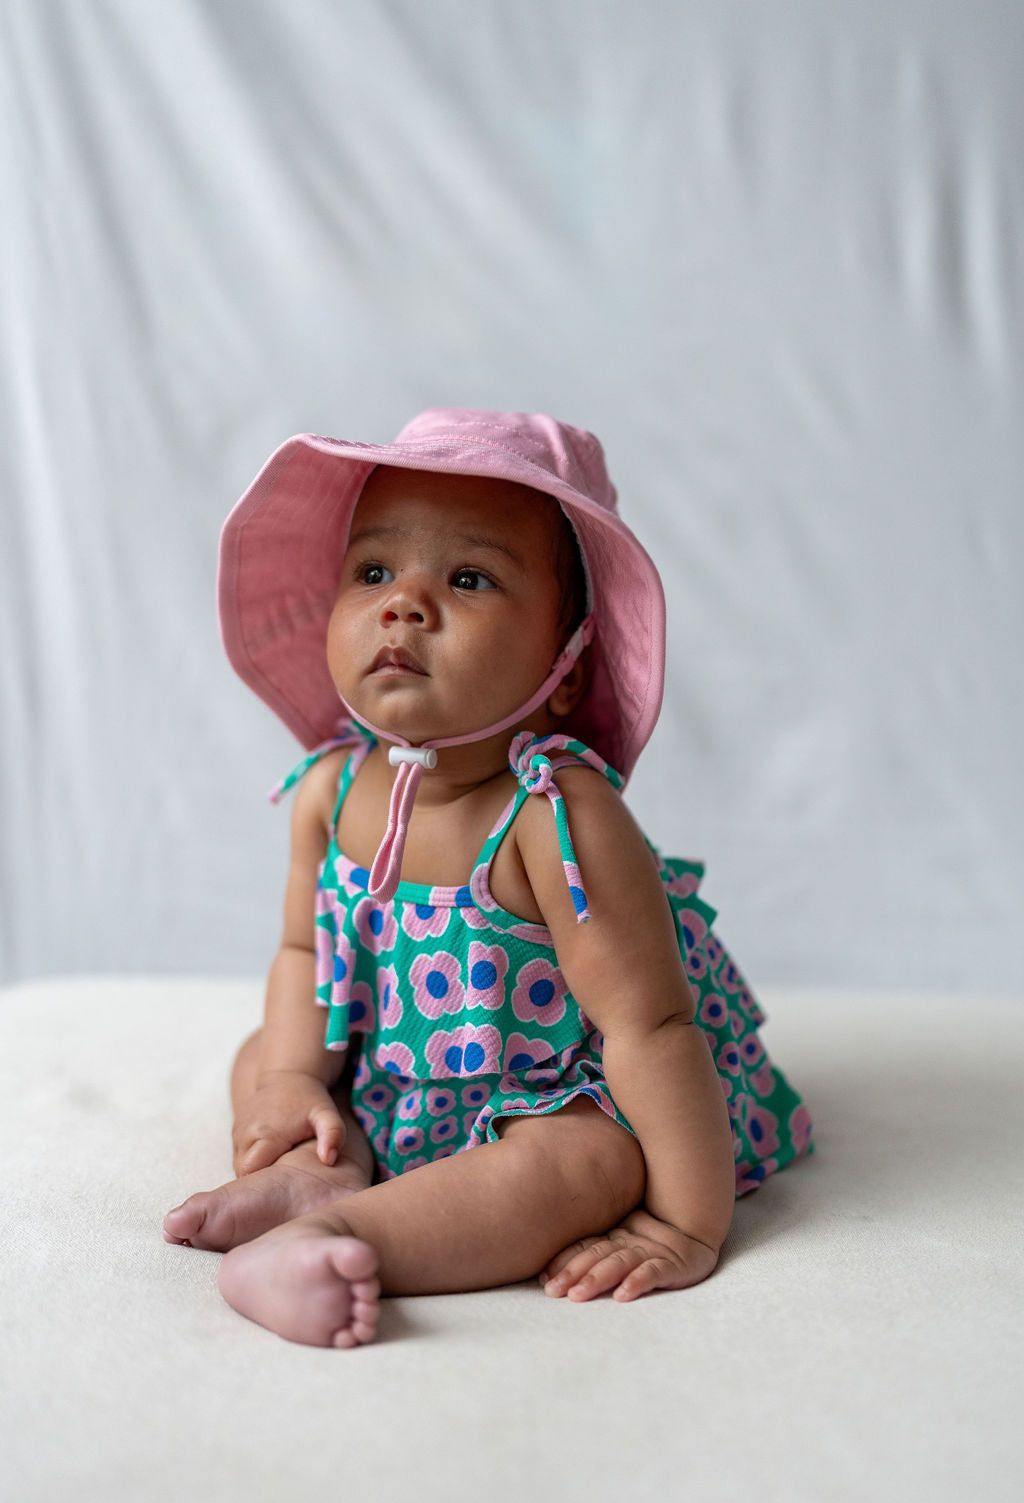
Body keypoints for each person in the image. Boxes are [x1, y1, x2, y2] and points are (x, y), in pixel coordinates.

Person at [164, 409, 812, 1348]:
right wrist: (295, 1081)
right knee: (263, 1052)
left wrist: (685, 1223)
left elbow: (650, 1027)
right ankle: (318, 1164)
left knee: (586, 1164)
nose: (404, 604)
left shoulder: (556, 817)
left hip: (552, 1093)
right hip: (399, 1073)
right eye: (374, 572)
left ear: (563, 669)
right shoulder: (327, 789)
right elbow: (305, 951)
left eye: (468, 578)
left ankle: (341, 1235)